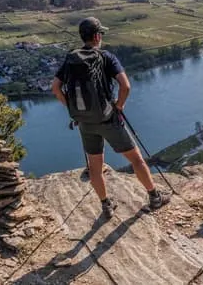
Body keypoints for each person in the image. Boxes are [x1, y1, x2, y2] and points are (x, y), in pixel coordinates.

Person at [51, 16, 170, 218]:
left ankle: (106, 206)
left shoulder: (71, 59)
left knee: (95, 167)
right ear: (97, 36)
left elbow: (55, 88)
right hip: (108, 119)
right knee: (137, 160)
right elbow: (125, 86)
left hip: (85, 122)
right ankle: (154, 196)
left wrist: (73, 109)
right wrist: (119, 106)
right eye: (101, 33)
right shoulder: (106, 57)